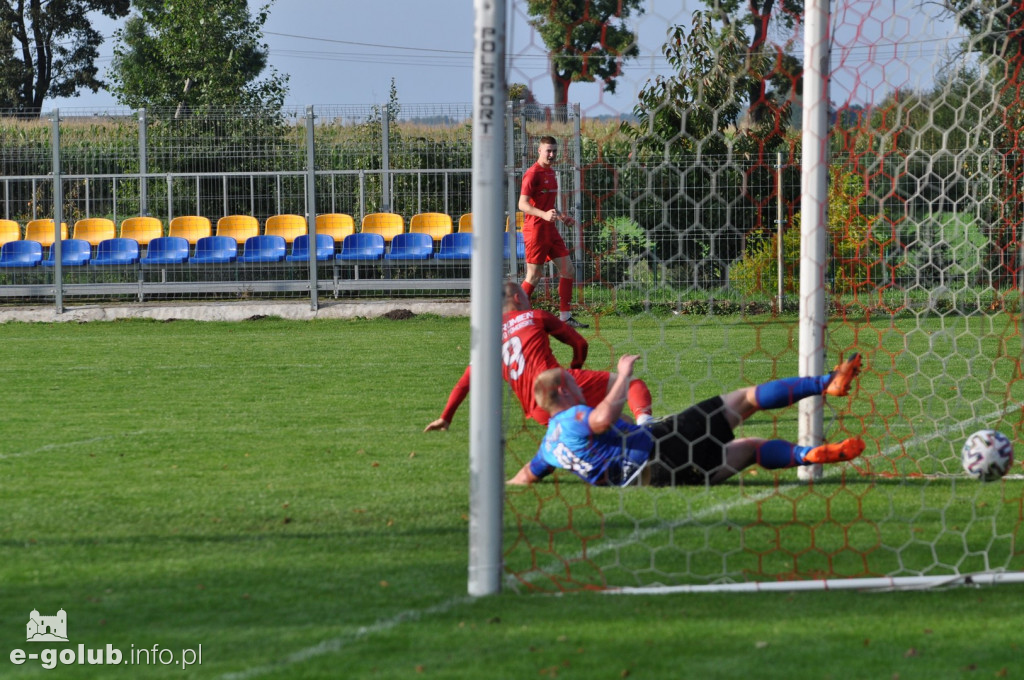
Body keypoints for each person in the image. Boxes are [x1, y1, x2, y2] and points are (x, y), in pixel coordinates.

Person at [508, 352, 865, 487]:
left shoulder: (549, 447)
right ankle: (826, 383)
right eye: (573, 382)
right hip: (664, 445)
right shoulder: (573, 415)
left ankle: (807, 455)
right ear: (562, 393)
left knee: (752, 449)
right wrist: (622, 376)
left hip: (660, 481)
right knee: (748, 398)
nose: (580, 387)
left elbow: (525, 476)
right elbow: (601, 420)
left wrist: (500, 487)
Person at [424, 281, 652, 431]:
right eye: (526, 296)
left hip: (538, 410)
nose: (528, 300)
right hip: (558, 387)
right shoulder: (535, 315)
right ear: (517, 297)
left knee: (617, 423)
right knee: (630, 384)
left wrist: (446, 416)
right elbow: (580, 343)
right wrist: (576, 371)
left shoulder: (489, 335)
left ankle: (636, 443)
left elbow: (466, 381)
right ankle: (648, 424)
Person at [518, 135, 588, 329]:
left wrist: (561, 216)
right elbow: (522, 204)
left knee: (568, 270)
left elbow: (547, 206)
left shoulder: (550, 173)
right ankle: (516, 316)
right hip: (536, 231)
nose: (551, 154)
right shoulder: (532, 174)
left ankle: (565, 317)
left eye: (554, 151)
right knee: (534, 276)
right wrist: (543, 214)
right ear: (539, 150)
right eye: (548, 150)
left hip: (550, 229)